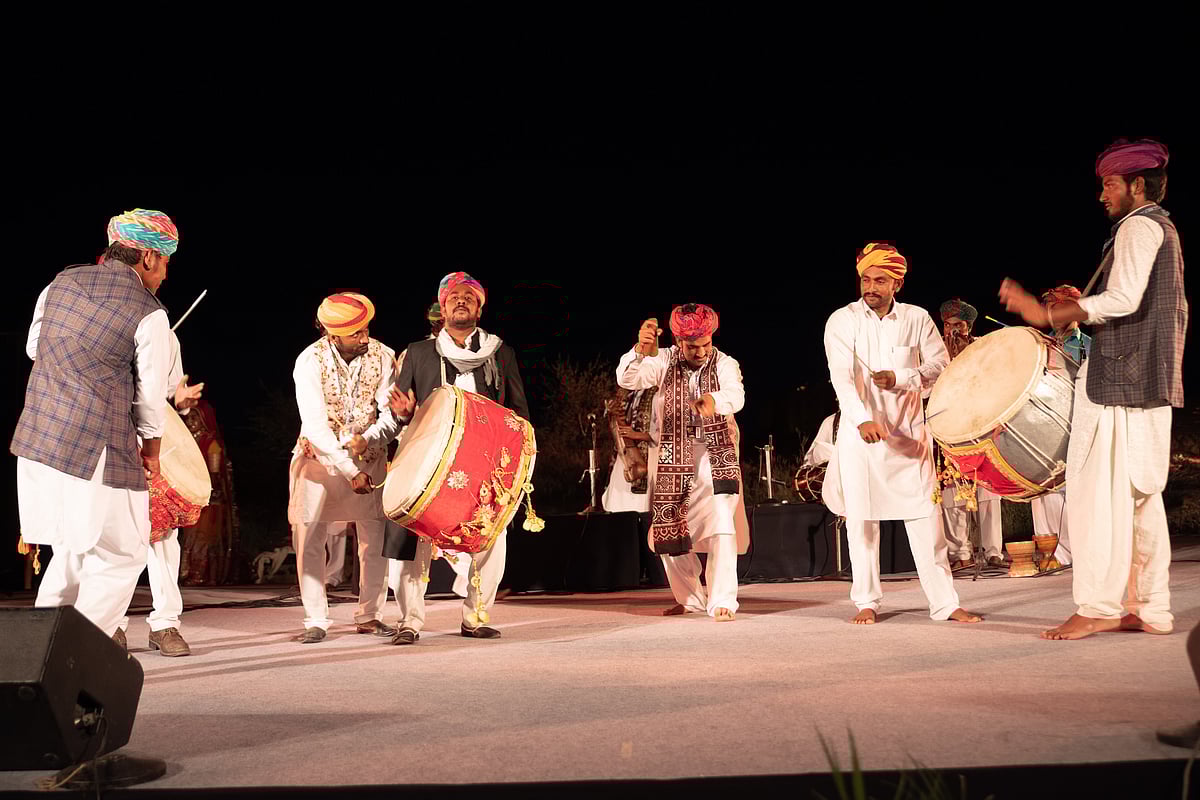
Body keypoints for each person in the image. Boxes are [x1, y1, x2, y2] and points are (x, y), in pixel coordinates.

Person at [1000, 138, 1186, 640]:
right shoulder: (1161, 230)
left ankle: (1099, 605)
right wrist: (1088, 303)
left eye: (1109, 185)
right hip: (1148, 382)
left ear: (1136, 185)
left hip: (1119, 383)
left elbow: (1123, 299)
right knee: (1139, 499)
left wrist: (1049, 313)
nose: (1102, 195)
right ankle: (1149, 607)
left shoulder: (1139, 225)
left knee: (1096, 497)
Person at [11, 209, 176, 638]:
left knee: (71, 548)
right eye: (166, 263)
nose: (164, 276)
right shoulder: (149, 312)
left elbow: (34, 348)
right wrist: (152, 452)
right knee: (123, 553)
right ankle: (71, 654)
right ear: (148, 257)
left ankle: (35, 647)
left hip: (38, 441)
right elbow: (151, 397)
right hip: (95, 449)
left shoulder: (57, 285)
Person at [823, 243, 981, 626]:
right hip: (861, 441)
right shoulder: (842, 321)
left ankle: (945, 603)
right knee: (862, 522)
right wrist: (861, 419)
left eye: (880, 279)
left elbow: (940, 364)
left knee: (926, 520)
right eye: (865, 278)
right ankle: (866, 601)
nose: (870, 286)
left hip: (909, 437)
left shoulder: (917, 318)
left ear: (898, 283)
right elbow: (842, 377)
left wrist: (901, 378)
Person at [384, 272, 530, 644]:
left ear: (480, 307)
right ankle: (410, 621)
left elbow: (518, 413)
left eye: (469, 297)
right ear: (443, 307)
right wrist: (405, 413)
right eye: (454, 297)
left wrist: (518, 461)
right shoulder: (418, 352)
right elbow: (399, 411)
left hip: (484, 465)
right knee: (411, 537)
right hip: (426, 462)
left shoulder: (500, 352)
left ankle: (475, 616)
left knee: (491, 536)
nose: (460, 301)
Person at [616, 304, 749, 622]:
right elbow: (629, 379)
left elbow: (737, 394)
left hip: (715, 454)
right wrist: (639, 351)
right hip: (671, 455)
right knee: (669, 525)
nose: (701, 351)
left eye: (706, 344)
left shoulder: (725, 363)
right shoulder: (662, 360)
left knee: (721, 522)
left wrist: (714, 401)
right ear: (678, 342)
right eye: (693, 346)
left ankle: (723, 600)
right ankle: (689, 598)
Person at [288, 293, 400, 643]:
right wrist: (350, 470)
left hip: (370, 458)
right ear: (332, 334)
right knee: (309, 537)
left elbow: (390, 413)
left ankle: (369, 615)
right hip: (320, 459)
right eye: (356, 334)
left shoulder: (384, 356)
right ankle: (316, 619)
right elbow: (315, 425)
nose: (365, 338)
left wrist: (368, 440)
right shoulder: (309, 361)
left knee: (374, 538)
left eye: (366, 330)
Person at [115, 330, 204, 656]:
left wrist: (179, 402)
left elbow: (169, 395)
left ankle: (165, 625)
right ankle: (112, 625)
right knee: (116, 538)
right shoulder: (105, 324)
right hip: (110, 440)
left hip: (154, 448)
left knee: (163, 538)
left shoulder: (163, 333)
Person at [936, 298, 1003, 570]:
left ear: (969, 326)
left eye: (959, 325)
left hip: (981, 424)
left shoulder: (983, 348)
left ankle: (993, 551)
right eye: (948, 325)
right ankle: (960, 553)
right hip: (949, 427)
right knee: (952, 491)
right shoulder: (935, 352)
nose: (953, 331)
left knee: (987, 490)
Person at [1029, 284, 1092, 567]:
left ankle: (1075, 551)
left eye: (1058, 307)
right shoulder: (1040, 344)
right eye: (1050, 308)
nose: (1053, 313)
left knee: (1071, 490)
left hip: (1077, 420)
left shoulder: (1090, 345)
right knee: (1041, 489)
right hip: (1042, 422)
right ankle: (1049, 551)